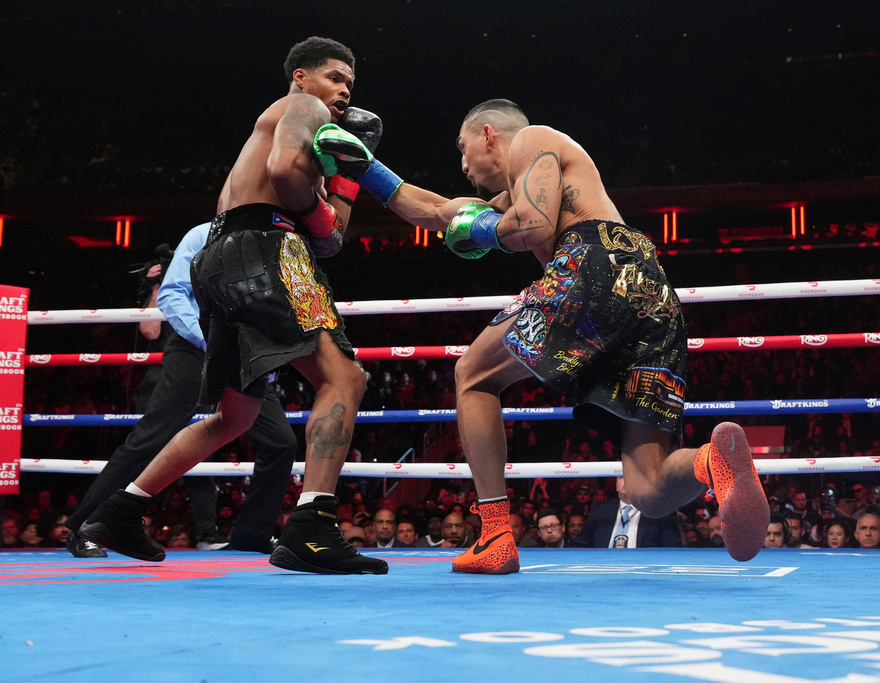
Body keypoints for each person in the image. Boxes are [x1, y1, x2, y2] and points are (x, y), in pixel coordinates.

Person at [321, 98, 768, 573]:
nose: (463, 164)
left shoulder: (534, 140)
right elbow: (435, 210)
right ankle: (712, 462)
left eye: (463, 148)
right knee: (648, 488)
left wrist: (484, 229)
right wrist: (364, 168)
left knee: (472, 375)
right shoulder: (519, 188)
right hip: (652, 291)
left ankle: (495, 535)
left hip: (595, 261)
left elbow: (533, 226)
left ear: (488, 133)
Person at [78, 37, 387, 575]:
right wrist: (321, 204)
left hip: (223, 257)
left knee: (234, 415)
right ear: (301, 77)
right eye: (334, 77)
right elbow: (289, 174)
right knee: (347, 379)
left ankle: (120, 510)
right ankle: (312, 529)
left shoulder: (301, 129)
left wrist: (344, 180)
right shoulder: (302, 108)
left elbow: (331, 236)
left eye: (350, 84)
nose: (342, 91)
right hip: (269, 248)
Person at [64, 221, 298, 558]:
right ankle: (82, 527)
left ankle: (253, 533)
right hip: (196, 348)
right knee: (151, 438)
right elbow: (173, 294)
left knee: (280, 440)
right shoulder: (205, 234)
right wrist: (210, 342)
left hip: (246, 353)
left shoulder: (279, 240)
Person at [574, 476, 682, 548]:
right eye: (621, 476)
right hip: (605, 566)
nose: (627, 480)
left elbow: (672, 549)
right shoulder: (600, 510)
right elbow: (581, 545)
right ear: (616, 485)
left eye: (631, 475)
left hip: (642, 569)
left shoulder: (660, 511)